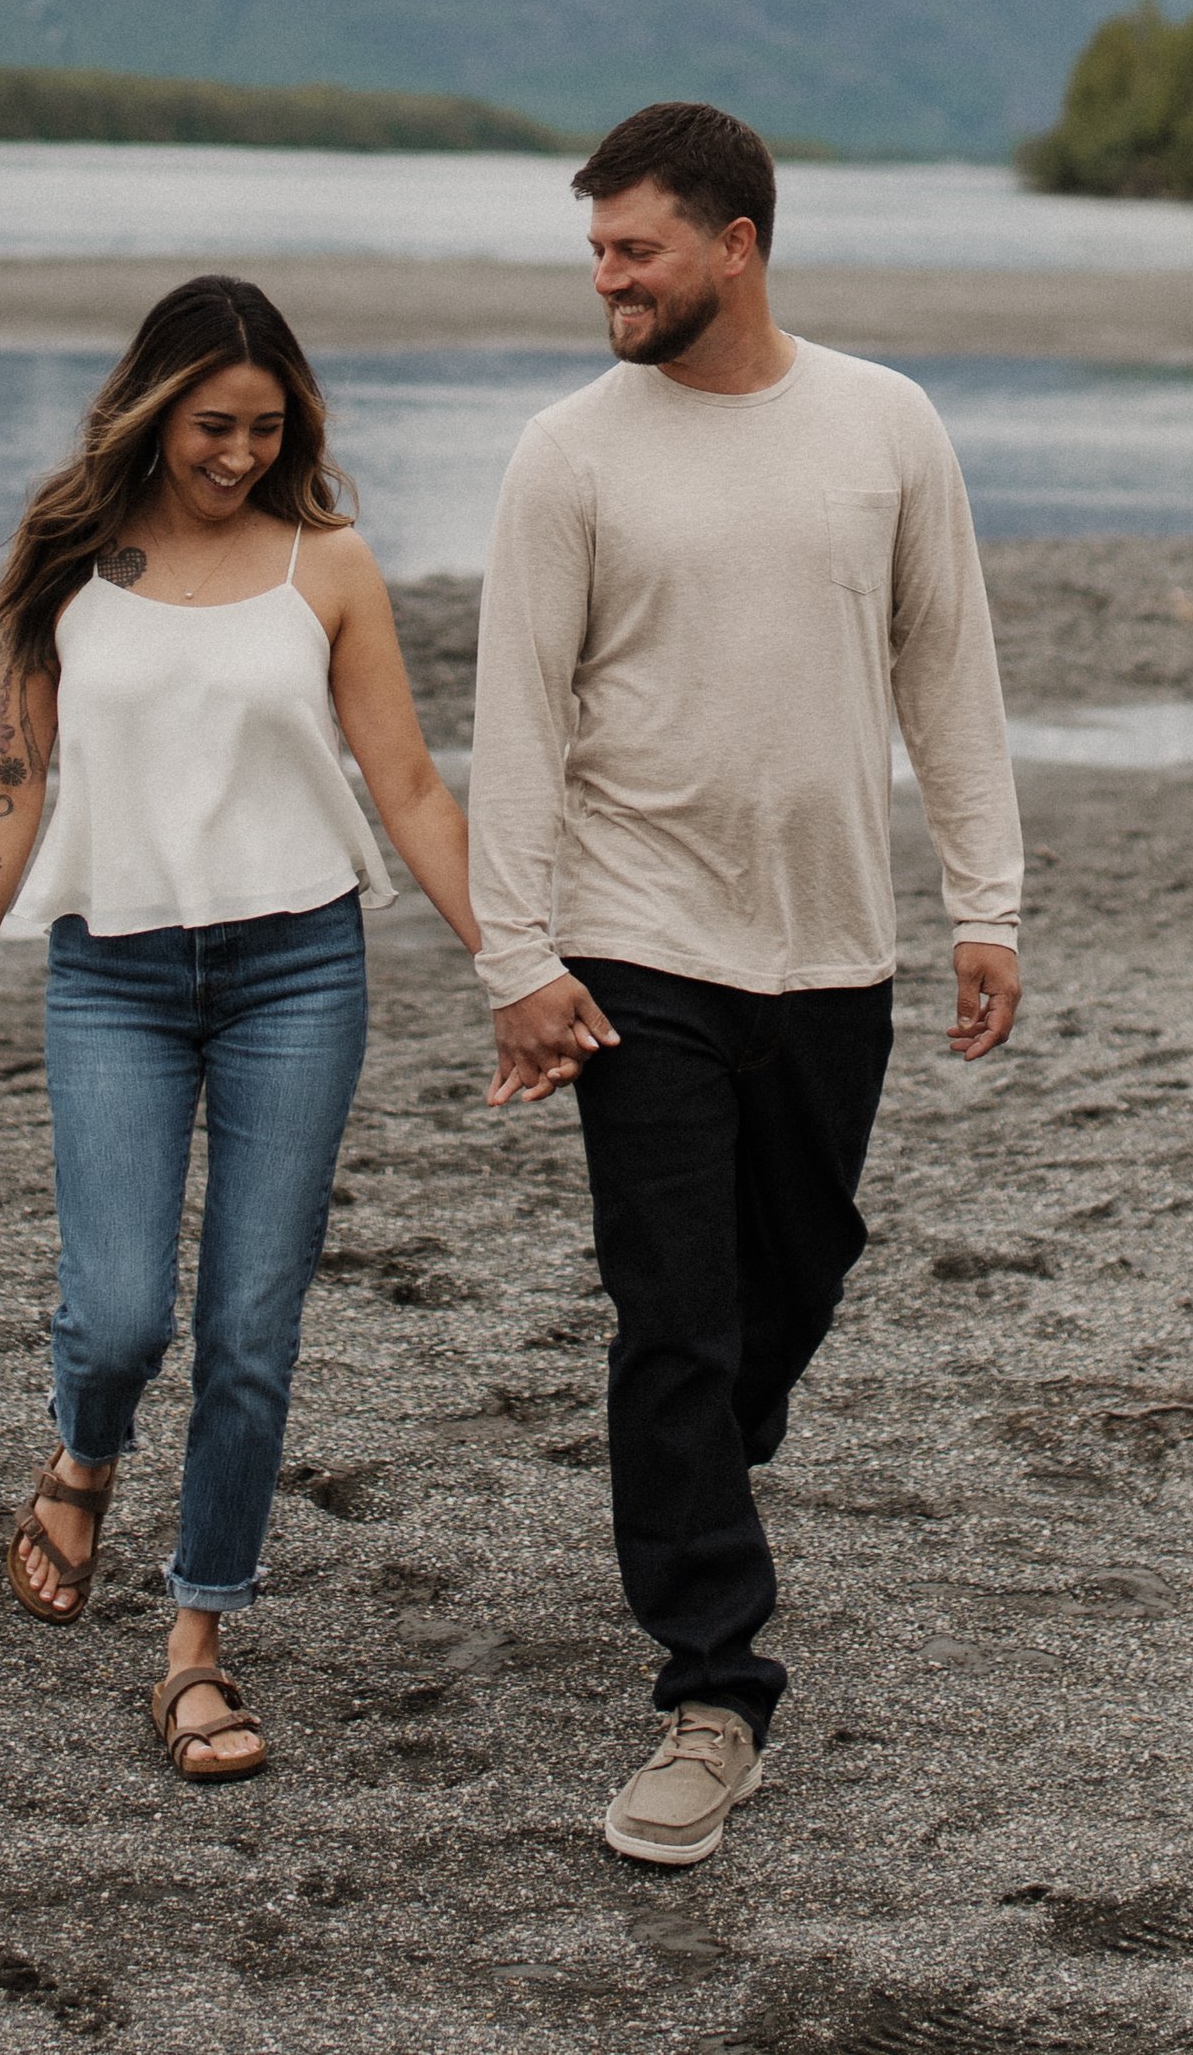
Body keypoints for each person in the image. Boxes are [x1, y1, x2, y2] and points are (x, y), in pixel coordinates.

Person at [468, 101, 1024, 1867]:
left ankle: (714, 1440)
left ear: (737, 242)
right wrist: (518, 957)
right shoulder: (568, 454)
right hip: (638, 951)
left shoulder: (884, 426)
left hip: (834, 951)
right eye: (598, 252)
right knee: (674, 1318)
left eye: (635, 249)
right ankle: (714, 1686)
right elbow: (516, 722)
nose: (610, 281)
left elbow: (950, 669)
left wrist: (986, 903)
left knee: (793, 1274)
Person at [0, 272, 479, 1783]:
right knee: (118, 1318)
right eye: (212, 424)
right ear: (154, 408)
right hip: (115, 976)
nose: (235, 452)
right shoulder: (70, 564)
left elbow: (409, 788)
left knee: (248, 1332)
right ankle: (83, 1454)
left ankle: (197, 1643)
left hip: (300, 968)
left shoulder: (330, 563)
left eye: (264, 426)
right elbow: (10, 787)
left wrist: (517, 961)